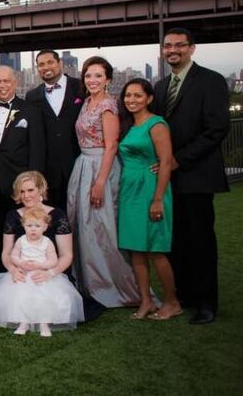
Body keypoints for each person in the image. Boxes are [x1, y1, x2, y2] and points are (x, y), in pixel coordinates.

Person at [153, 27, 230, 324]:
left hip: (197, 175)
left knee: (201, 241)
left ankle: (207, 303)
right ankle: (183, 295)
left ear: (191, 48)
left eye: (179, 45)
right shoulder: (161, 86)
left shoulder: (211, 81)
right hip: (167, 179)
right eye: (168, 46)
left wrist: (178, 160)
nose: (173, 50)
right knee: (175, 240)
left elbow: (217, 129)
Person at [67, 56, 139, 308]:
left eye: (98, 75)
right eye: (88, 75)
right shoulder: (87, 102)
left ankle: (113, 285)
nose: (92, 80)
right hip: (83, 165)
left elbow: (111, 147)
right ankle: (89, 282)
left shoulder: (108, 105)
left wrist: (99, 183)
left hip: (101, 167)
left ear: (108, 79)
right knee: (84, 225)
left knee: (102, 226)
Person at [118, 78, 182, 321]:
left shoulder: (157, 124)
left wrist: (157, 199)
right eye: (128, 95)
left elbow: (166, 163)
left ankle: (172, 302)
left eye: (137, 95)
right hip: (129, 190)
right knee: (136, 249)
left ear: (149, 98)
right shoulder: (129, 125)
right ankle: (146, 301)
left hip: (151, 189)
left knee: (156, 249)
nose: (131, 100)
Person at [2, 171, 103, 321]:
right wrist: (13, 270)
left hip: (51, 272)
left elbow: (66, 255)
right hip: (22, 272)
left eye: (30, 190)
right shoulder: (12, 216)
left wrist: (50, 273)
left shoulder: (57, 215)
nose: (26, 196)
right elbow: (6, 252)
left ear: (40, 189)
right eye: (22, 191)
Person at [0, 66, 45, 272]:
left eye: (6, 81)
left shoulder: (30, 111)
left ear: (15, 82)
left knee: (24, 232)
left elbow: (37, 149)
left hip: (20, 186)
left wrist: (34, 187)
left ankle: (26, 275)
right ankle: (0, 274)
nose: (2, 85)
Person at [0, 208, 84, 337]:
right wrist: (20, 263)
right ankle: (23, 323)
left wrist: (41, 265)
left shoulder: (47, 242)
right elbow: (14, 255)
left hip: (41, 275)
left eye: (37, 226)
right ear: (24, 226)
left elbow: (53, 260)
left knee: (44, 298)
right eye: (29, 226)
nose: (33, 229)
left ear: (45, 227)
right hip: (25, 274)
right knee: (21, 297)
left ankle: (44, 323)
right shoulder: (21, 240)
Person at [25, 50, 85, 210]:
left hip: (79, 165)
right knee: (52, 217)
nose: (46, 67)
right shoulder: (32, 96)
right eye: (41, 65)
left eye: (50, 62)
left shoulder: (81, 87)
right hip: (49, 172)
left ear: (60, 63)